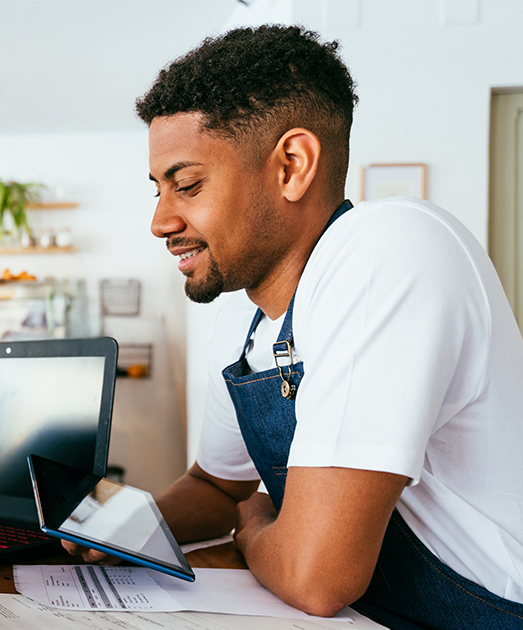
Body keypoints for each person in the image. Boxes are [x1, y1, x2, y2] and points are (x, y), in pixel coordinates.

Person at [64, 26, 523, 629]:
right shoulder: (241, 325)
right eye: (158, 190)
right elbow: (217, 486)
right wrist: (120, 524)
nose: (160, 221)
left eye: (188, 184)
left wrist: (256, 526)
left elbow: (316, 576)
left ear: (292, 165)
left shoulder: (389, 248)